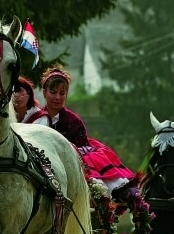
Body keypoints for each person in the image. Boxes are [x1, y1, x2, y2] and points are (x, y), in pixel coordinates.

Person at [31, 65, 135, 195]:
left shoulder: (73, 121)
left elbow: (82, 149)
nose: (57, 97)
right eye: (53, 92)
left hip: (73, 167)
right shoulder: (36, 120)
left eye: (62, 93)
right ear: (44, 92)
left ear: (66, 95)